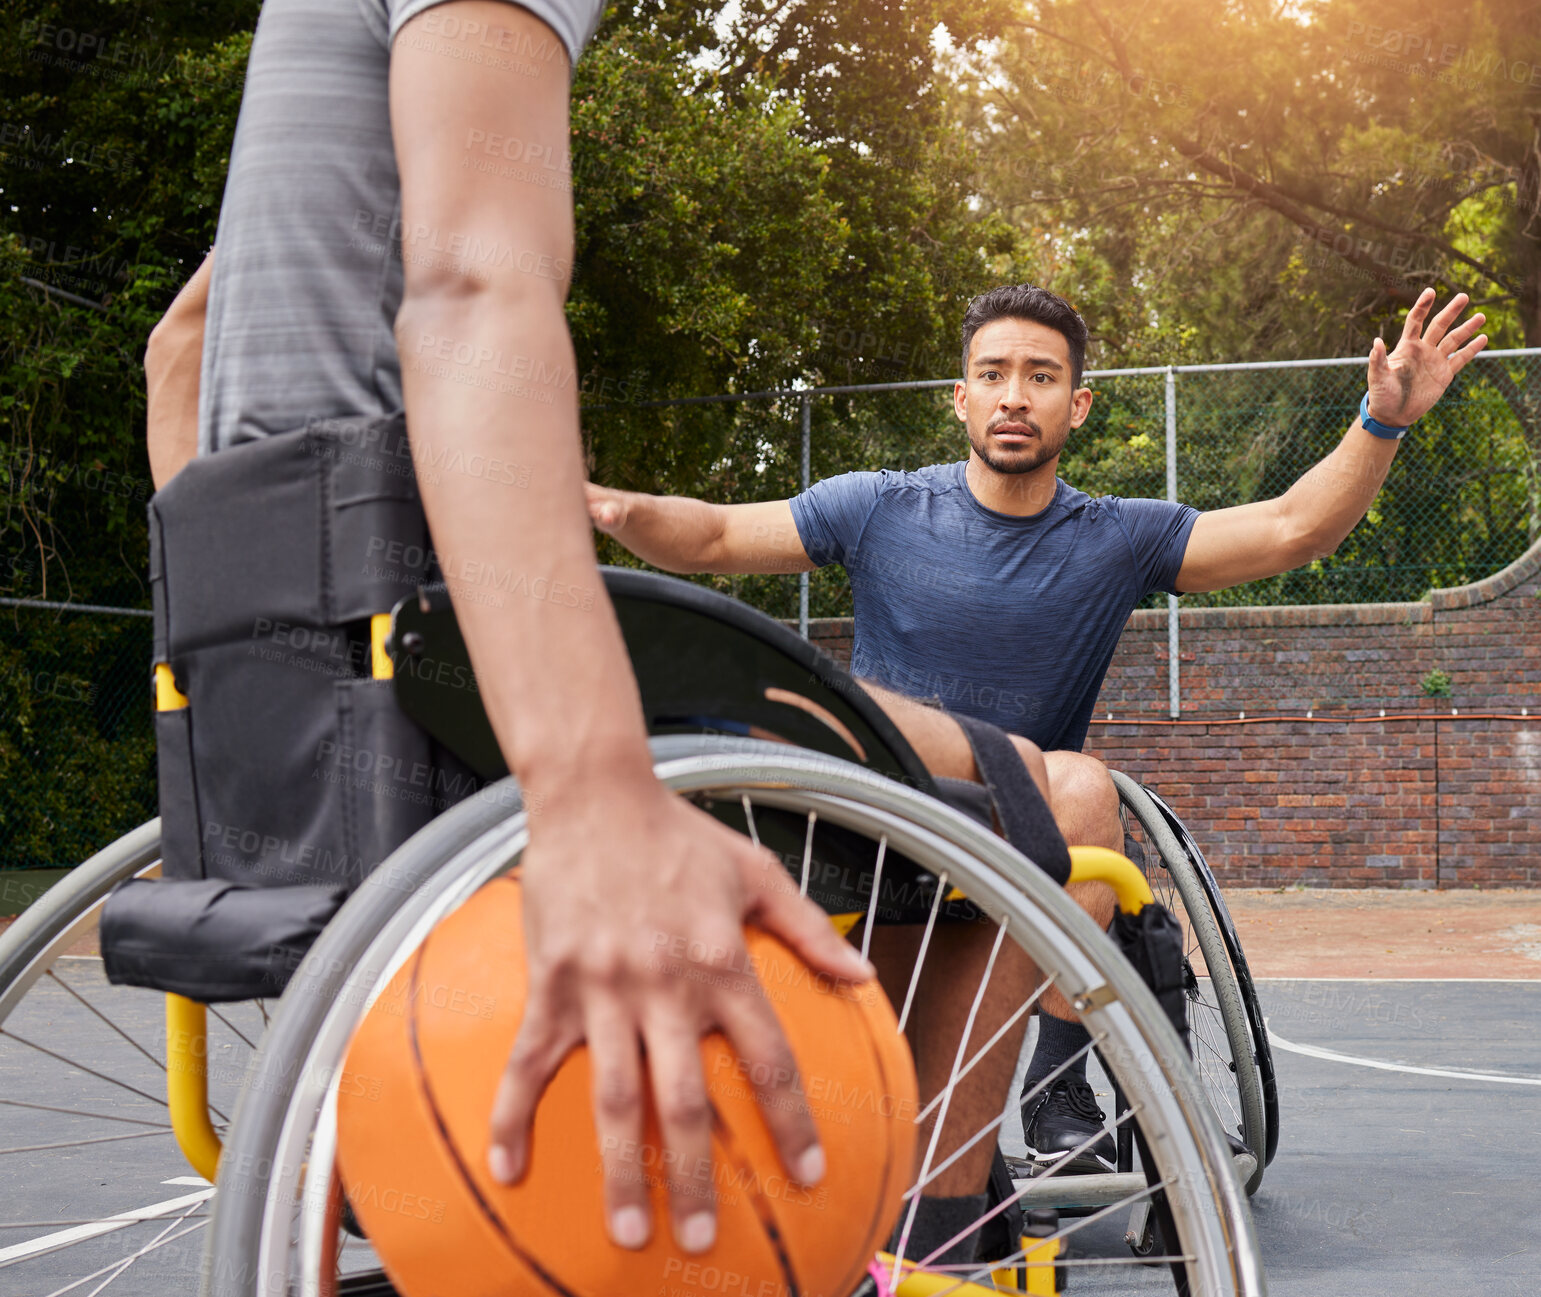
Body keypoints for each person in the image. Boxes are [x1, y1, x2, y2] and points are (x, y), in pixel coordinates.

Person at [143, 3, 1073, 1269]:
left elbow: (177, 355)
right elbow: (472, 282)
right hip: (442, 642)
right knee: (1061, 794)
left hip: (298, 670)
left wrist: (248, 639)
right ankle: (908, 1230)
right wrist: (589, 792)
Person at [585, 281, 1488, 1170]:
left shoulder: (1118, 537)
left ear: (1078, 404)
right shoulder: (877, 508)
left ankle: (1056, 1087)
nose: (1014, 394)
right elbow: (705, 538)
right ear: (961, 397)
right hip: (879, 823)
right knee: (879, 1114)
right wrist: (607, 509)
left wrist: (1382, 423)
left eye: (1041, 376)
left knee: (1085, 784)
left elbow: (1293, 529)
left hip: (1023, 838)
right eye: (992, 373)